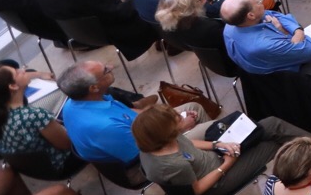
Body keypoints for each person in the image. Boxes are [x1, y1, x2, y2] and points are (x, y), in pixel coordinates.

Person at [133, 102, 311, 195]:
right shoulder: (173, 165)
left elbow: (188, 143)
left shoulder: (155, 142)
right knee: (274, 143)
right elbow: (197, 190)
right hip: (218, 182)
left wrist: (218, 144)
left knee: (268, 125)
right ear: (165, 133)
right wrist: (227, 164)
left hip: (215, 158)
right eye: (175, 119)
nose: (180, 117)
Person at [56, 58, 205, 167]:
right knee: (205, 123)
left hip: (141, 135)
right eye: (105, 71)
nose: (111, 67)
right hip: (145, 160)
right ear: (93, 88)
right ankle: (205, 162)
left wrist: (165, 117)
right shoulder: (105, 127)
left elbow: (128, 112)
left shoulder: (76, 101)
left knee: (191, 107)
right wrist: (180, 128)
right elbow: (149, 151)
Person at [0, 66, 81, 178]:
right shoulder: (34, 116)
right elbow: (67, 144)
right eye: (17, 72)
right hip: (62, 164)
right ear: (13, 86)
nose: (23, 70)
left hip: (32, 168)